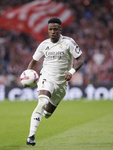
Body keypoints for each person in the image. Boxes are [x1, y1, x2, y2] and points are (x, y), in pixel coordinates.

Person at [26, 18, 84, 146]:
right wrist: (28, 74)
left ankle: (46, 113)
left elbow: (80, 60)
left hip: (62, 83)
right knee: (42, 102)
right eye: (50, 29)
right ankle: (31, 136)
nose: (52, 32)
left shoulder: (69, 42)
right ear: (48, 30)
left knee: (47, 114)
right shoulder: (43, 45)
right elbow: (34, 61)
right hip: (47, 77)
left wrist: (72, 72)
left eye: (55, 29)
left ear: (60, 30)